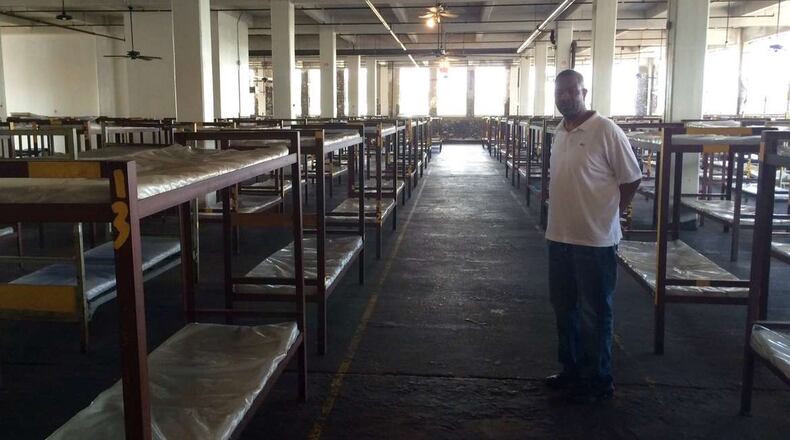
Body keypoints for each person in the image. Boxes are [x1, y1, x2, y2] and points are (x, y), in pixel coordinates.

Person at [544, 69, 642, 403]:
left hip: (595, 240)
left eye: (572, 91)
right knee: (564, 307)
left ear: (584, 91)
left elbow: (631, 178)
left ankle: (598, 378)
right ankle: (570, 369)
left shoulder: (605, 130)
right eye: (560, 92)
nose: (565, 97)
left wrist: (612, 214)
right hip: (559, 236)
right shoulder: (559, 132)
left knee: (596, 311)